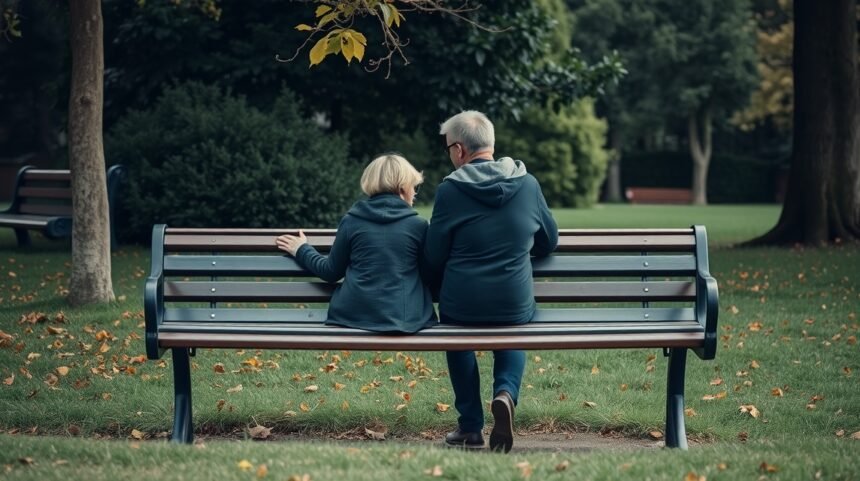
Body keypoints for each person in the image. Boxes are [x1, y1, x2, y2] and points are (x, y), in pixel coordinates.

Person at [425, 110, 559, 452]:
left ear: (459, 150)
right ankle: (505, 394)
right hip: (513, 300)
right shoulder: (527, 184)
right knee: (516, 322)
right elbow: (549, 240)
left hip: (461, 303)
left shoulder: (450, 191)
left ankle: (470, 427)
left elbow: (434, 255)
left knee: (456, 337)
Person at [276, 153, 437, 333]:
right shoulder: (418, 226)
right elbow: (428, 274)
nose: (414, 193)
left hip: (354, 316)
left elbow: (330, 271)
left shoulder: (352, 221)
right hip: (406, 318)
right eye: (414, 186)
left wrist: (301, 249)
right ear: (402, 188)